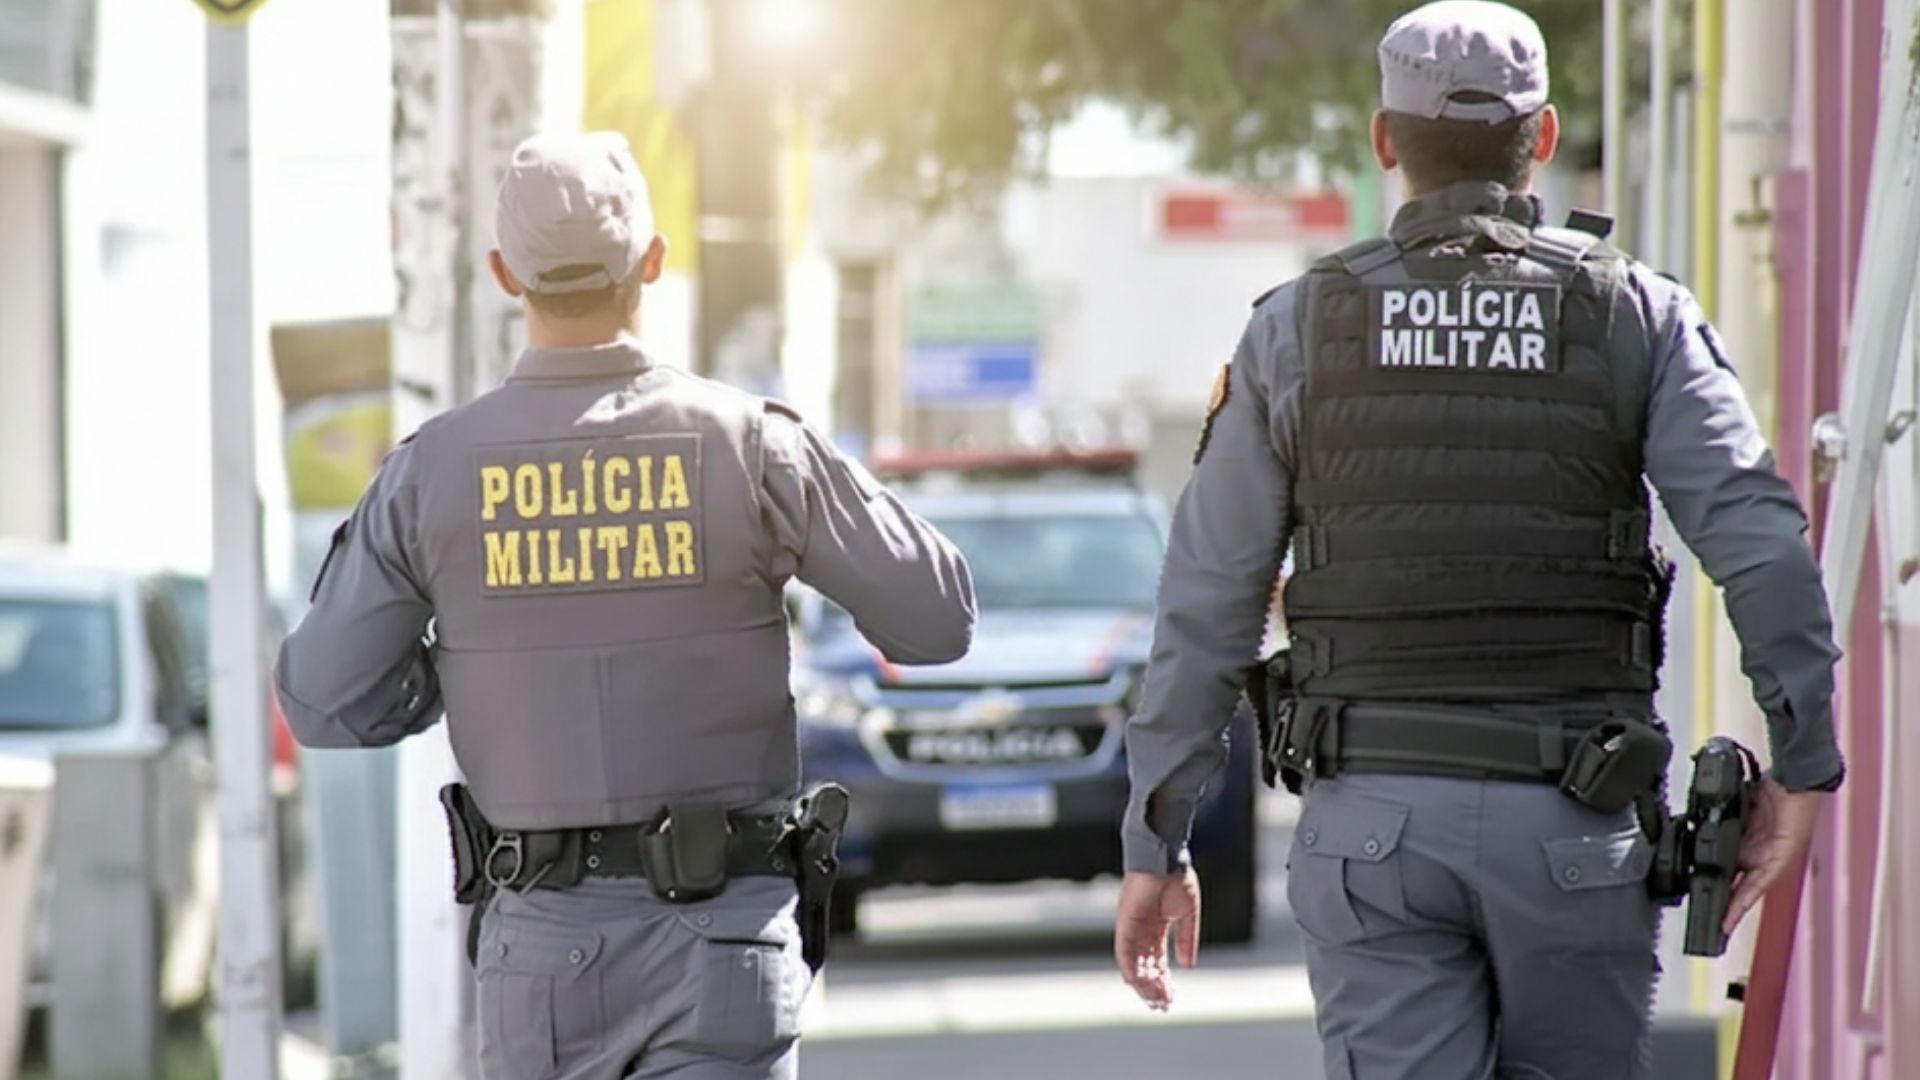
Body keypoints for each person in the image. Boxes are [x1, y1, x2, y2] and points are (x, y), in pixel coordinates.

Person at [1110, 3, 1846, 1076]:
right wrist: (1804, 761)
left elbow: (1208, 602)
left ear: (1382, 140)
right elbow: (1760, 539)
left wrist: (1156, 840)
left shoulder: (1295, 328)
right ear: (1542, 136)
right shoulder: (1635, 315)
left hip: (1371, 831)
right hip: (1577, 826)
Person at [276, 131, 977, 1080]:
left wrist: (454, 673)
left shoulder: (429, 474)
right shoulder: (751, 445)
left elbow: (322, 702)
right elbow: (936, 619)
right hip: (724, 948)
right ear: (652, 262)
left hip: (540, 961)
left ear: (502, 274)